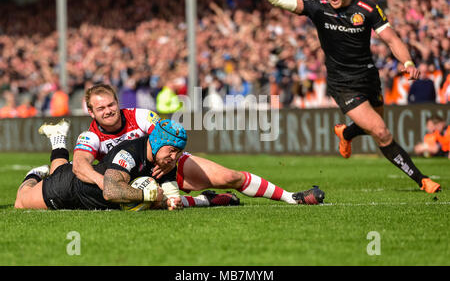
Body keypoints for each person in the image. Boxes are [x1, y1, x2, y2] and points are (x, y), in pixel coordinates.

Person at [240, 0, 440, 193]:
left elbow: (392, 39)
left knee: (371, 128)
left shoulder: (367, 8)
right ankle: (422, 180)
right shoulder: (318, 8)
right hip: (342, 84)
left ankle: (346, 133)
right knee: (381, 132)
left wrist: (408, 63)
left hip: (369, 78)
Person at [39, 84, 324, 206]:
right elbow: (80, 167)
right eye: (101, 108)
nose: (109, 110)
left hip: (167, 166)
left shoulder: (139, 116)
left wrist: (172, 162)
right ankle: (58, 141)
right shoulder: (90, 136)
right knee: (59, 174)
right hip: (134, 178)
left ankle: (291, 197)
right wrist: (108, 186)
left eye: (111, 104)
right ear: (91, 112)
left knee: (230, 177)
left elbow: (167, 140)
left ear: (117, 101)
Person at [14, 120, 187, 210]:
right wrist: (148, 195)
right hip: (70, 189)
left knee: (59, 169)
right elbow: (111, 191)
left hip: (87, 193)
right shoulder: (129, 153)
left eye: (179, 152)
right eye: (171, 150)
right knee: (21, 201)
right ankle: (34, 174)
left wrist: (171, 201)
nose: (174, 157)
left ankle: (57, 140)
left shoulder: (165, 160)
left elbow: (170, 196)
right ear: (156, 142)